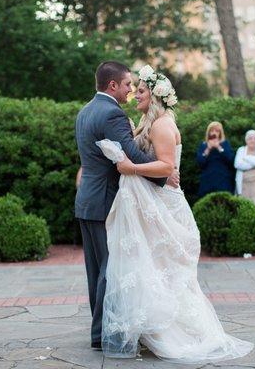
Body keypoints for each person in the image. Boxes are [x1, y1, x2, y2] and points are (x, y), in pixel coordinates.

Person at [96, 65, 253, 363]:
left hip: (165, 204)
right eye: (135, 89)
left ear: (155, 96)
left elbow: (166, 168)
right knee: (154, 267)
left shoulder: (162, 125)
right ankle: (154, 327)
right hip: (153, 203)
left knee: (167, 269)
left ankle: (176, 332)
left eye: (140, 90)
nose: (134, 94)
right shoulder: (149, 122)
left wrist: (132, 169)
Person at [74, 61, 179, 351]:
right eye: (127, 85)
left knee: (96, 270)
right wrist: (165, 173)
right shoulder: (112, 114)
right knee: (112, 269)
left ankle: (99, 334)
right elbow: (130, 154)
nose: (131, 90)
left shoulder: (85, 112)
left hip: (86, 200)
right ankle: (106, 333)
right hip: (105, 201)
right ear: (113, 86)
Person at [196, 122, 235, 197]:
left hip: (223, 180)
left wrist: (219, 147)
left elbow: (230, 160)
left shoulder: (225, 144)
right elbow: (200, 162)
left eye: (217, 131)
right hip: (207, 180)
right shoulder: (203, 145)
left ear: (220, 133)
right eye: (212, 131)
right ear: (209, 132)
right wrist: (208, 149)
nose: (214, 133)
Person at [234, 130, 255, 211]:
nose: (252, 140)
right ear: (246, 140)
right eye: (250, 138)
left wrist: (246, 158)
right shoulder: (241, 150)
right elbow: (238, 164)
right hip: (244, 186)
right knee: (243, 209)